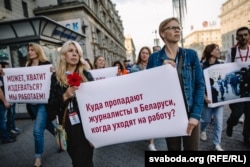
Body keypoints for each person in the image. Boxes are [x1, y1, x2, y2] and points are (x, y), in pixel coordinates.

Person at [147, 17, 205, 151]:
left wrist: (195, 115)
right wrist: (160, 70)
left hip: (190, 113)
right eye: (172, 28)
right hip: (170, 115)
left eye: (178, 28)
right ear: (162, 33)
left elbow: (199, 85)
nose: (177, 30)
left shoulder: (191, 55)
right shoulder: (154, 58)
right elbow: (149, 87)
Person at [47, 40, 94, 167]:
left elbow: (96, 101)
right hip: (69, 125)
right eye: (70, 51)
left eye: (77, 52)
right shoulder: (56, 77)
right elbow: (51, 105)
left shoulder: (87, 75)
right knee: (79, 160)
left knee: (86, 159)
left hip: (88, 123)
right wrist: (65, 95)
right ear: (63, 55)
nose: (74, 54)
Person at [25, 42, 56, 167]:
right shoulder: (27, 65)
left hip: (43, 103)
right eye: (29, 50)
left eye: (32, 50)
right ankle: (60, 137)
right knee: (47, 124)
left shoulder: (46, 65)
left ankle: (38, 158)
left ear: (38, 51)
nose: (30, 52)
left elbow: (53, 81)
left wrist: (52, 73)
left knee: (37, 131)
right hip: (32, 104)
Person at [225, 26, 250, 146]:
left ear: (249, 36)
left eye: (245, 34)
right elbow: (225, 68)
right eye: (240, 35)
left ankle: (247, 137)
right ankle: (230, 124)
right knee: (236, 114)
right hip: (238, 90)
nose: (243, 37)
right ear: (237, 37)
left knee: (249, 116)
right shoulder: (232, 52)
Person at [130, 46, 157, 151]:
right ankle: (146, 134)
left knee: (152, 120)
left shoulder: (154, 67)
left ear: (149, 55)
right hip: (139, 98)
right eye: (143, 53)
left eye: (147, 53)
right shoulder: (134, 69)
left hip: (151, 97)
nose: (144, 54)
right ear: (140, 55)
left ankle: (151, 143)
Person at [199, 44, 224, 151]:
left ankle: (216, 144)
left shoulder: (222, 65)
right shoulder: (202, 67)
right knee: (205, 120)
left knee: (219, 122)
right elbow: (200, 84)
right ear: (211, 52)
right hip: (207, 100)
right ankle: (202, 130)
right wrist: (204, 97)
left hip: (219, 100)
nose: (219, 51)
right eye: (217, 49)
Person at [0, 62, 21, 136]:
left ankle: (12, 129)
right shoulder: (1, 78)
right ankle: (6, 135)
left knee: (11, 115)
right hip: (4, 102)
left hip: (9, 100)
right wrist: (5, 101)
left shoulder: (4, 77)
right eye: (5, 67)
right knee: (5, 119)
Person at [0, 64, 16, 144]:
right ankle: (5, 138)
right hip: (1, 104)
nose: (1, 68)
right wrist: (5, 102)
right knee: (3, 121)